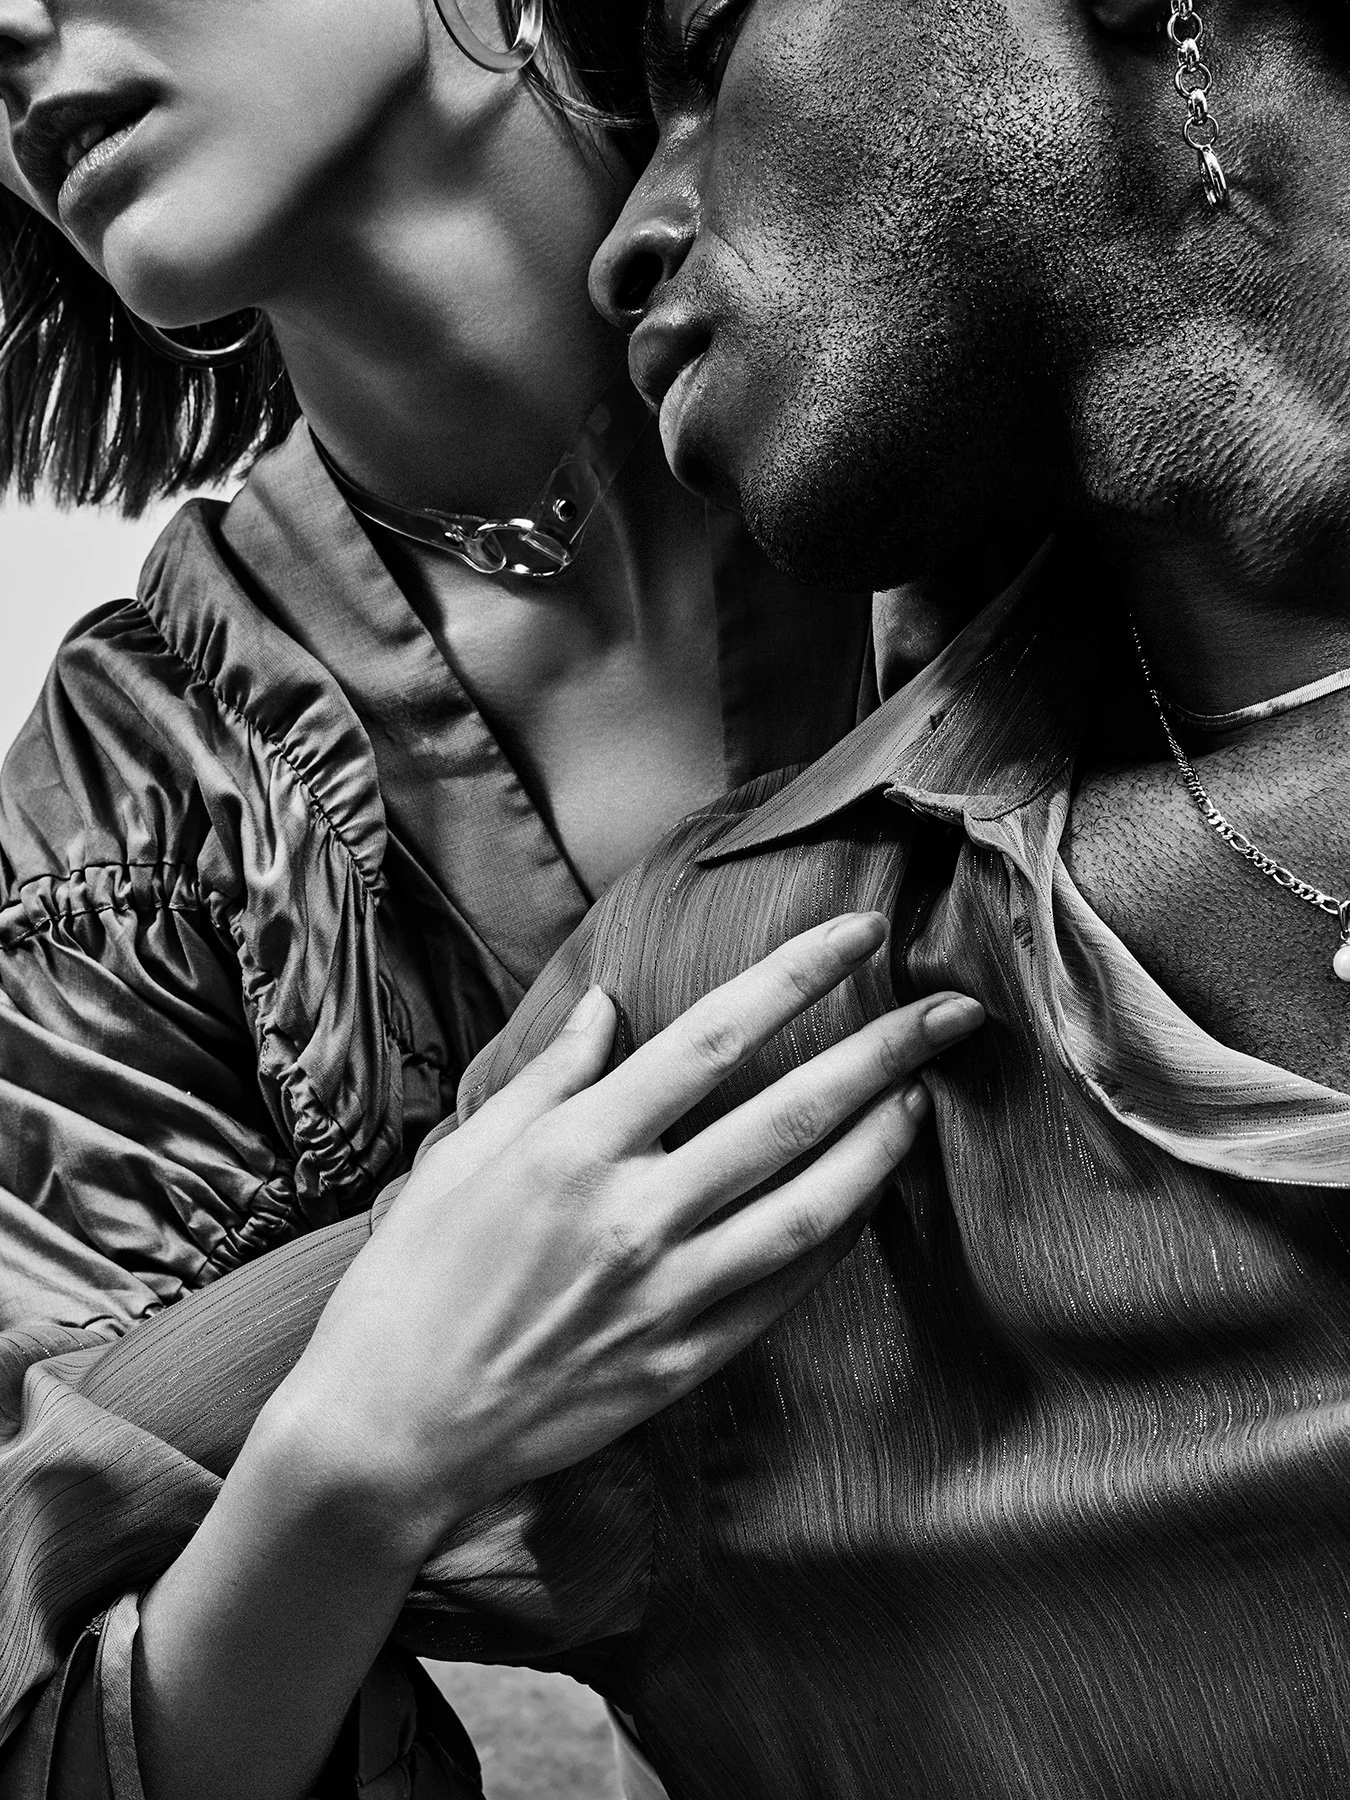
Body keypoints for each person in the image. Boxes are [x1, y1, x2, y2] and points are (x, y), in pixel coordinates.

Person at [15, 0, 1350, 1794]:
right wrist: (354, 1463)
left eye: (705, 71)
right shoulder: (138, 816)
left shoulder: (963, 218)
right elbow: (56, 1579)